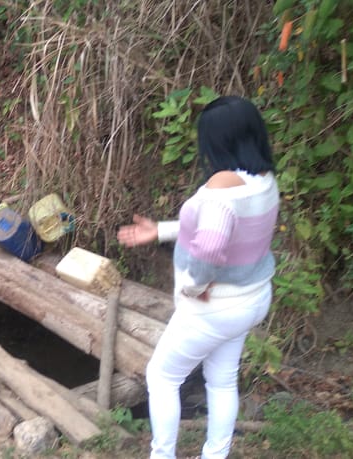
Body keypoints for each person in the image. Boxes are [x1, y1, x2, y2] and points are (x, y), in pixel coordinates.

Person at [117, 96, 279, 459]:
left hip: (215, 308)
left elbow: (210, 246)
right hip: (252, 299)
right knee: (221, 380)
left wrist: (195, 287)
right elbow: (224, 230)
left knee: (162, 377)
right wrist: (161, 230)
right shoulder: (263, 179)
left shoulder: (220, 192)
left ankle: (162, 456)